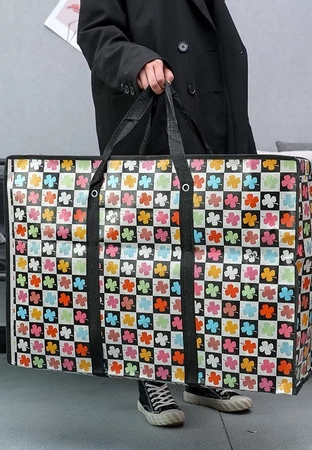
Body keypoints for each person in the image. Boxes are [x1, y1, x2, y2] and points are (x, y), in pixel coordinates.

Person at [77, 0, 255, 426]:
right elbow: (95, 32)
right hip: (151, 120)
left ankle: (200, 374)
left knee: (208, 256)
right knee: (148, 258)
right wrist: (135, 61)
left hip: (208, 119)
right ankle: (151, 375)